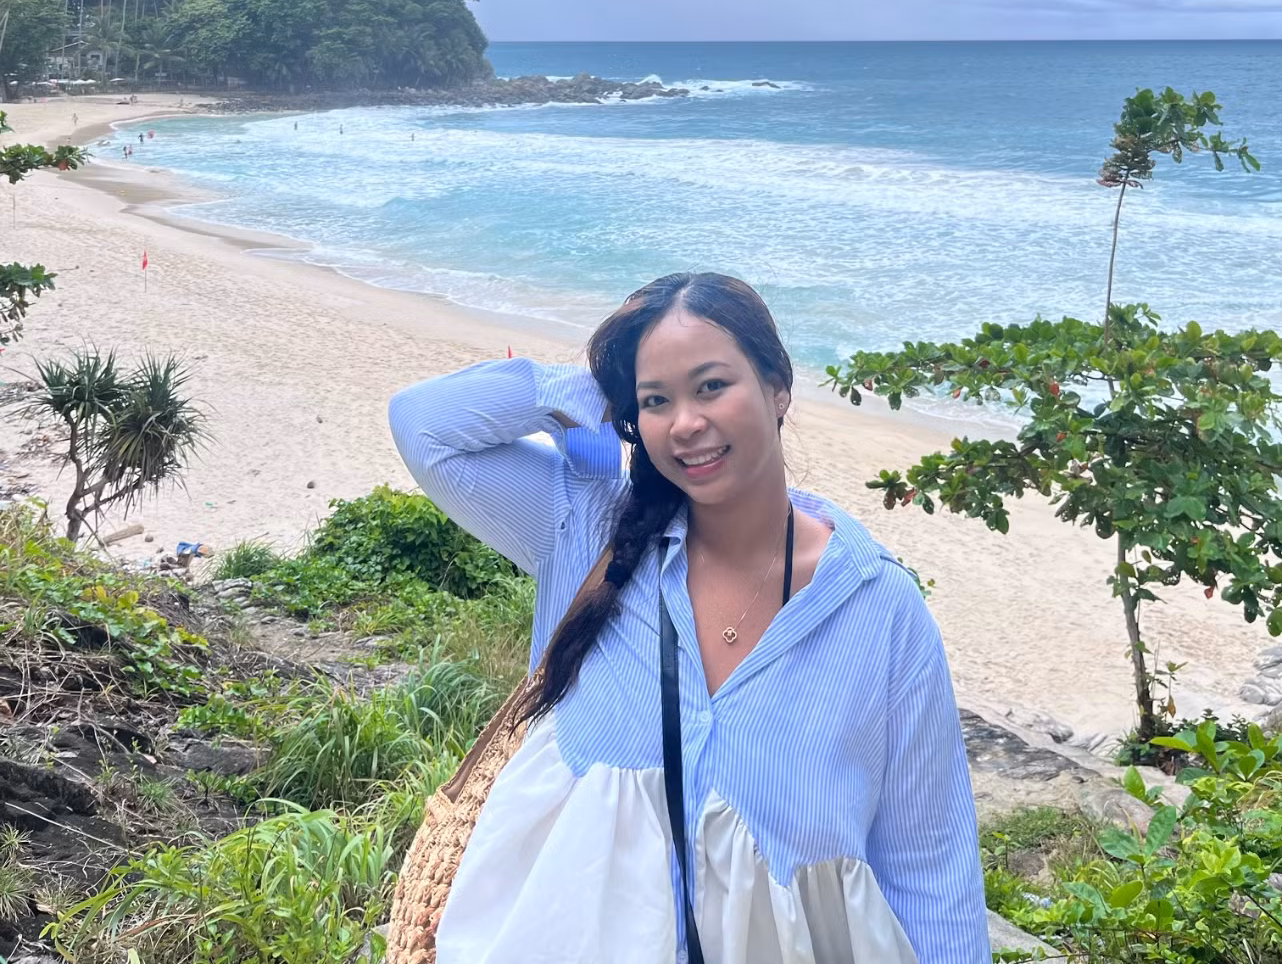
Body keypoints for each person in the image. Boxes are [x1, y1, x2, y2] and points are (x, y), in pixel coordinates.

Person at [389, 273, 990, 964]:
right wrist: (595, 386)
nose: (685, 424)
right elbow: (424, 425)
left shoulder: (878, 608)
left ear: (777, 387)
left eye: (711, 386)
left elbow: (930, 867)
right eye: (657, 400)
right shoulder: (590, 531)